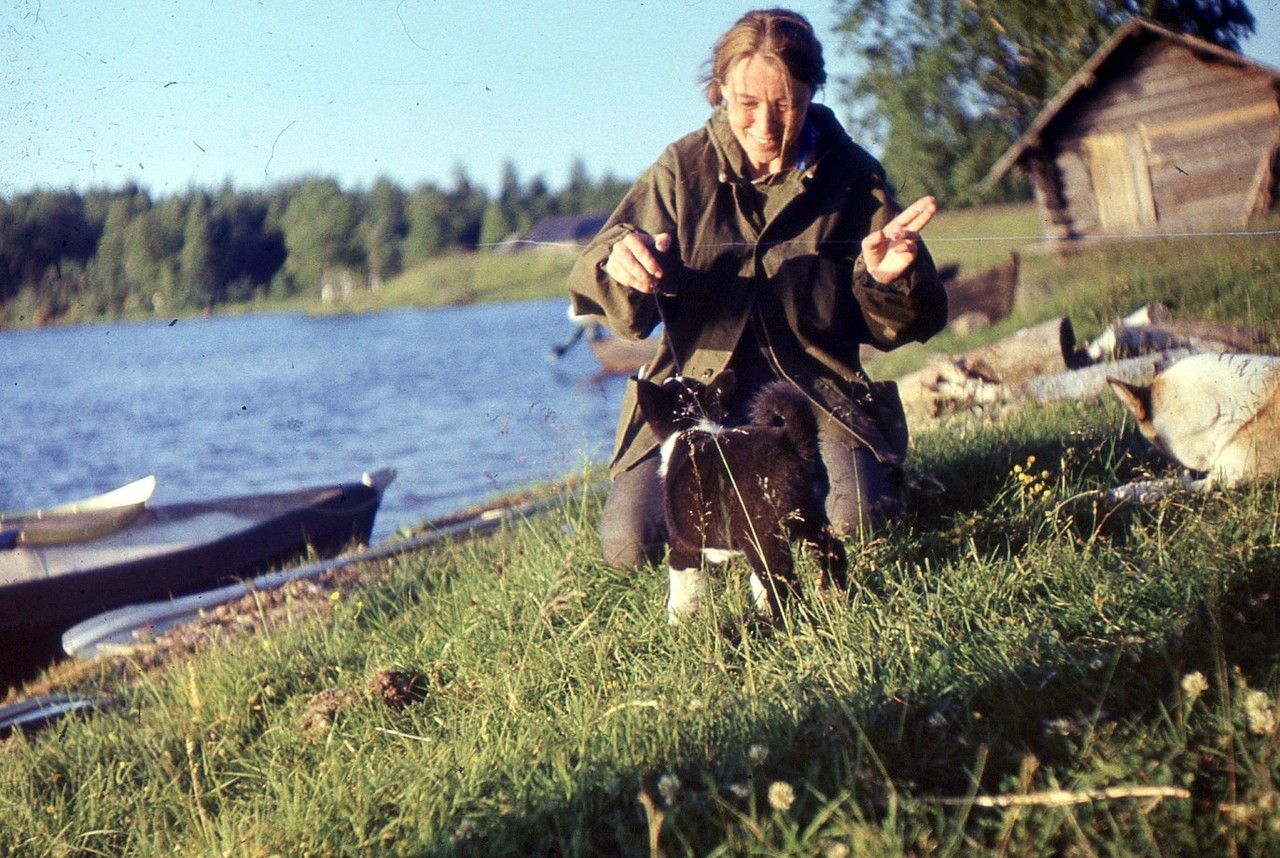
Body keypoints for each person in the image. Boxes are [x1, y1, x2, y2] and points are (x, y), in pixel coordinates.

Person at [567, 8, 948, 568]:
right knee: (630, 547)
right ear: (719, 91)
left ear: (812, 91)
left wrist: (888, 280)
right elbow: (610, 290)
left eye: (786, 105)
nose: (765, 126)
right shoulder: (679, 170)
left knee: (859, 527)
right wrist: (619, 265)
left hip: (818, 395)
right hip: (697, 396)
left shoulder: (853, 175)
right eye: (746, 105)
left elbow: (912, 322)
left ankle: (816, 488)